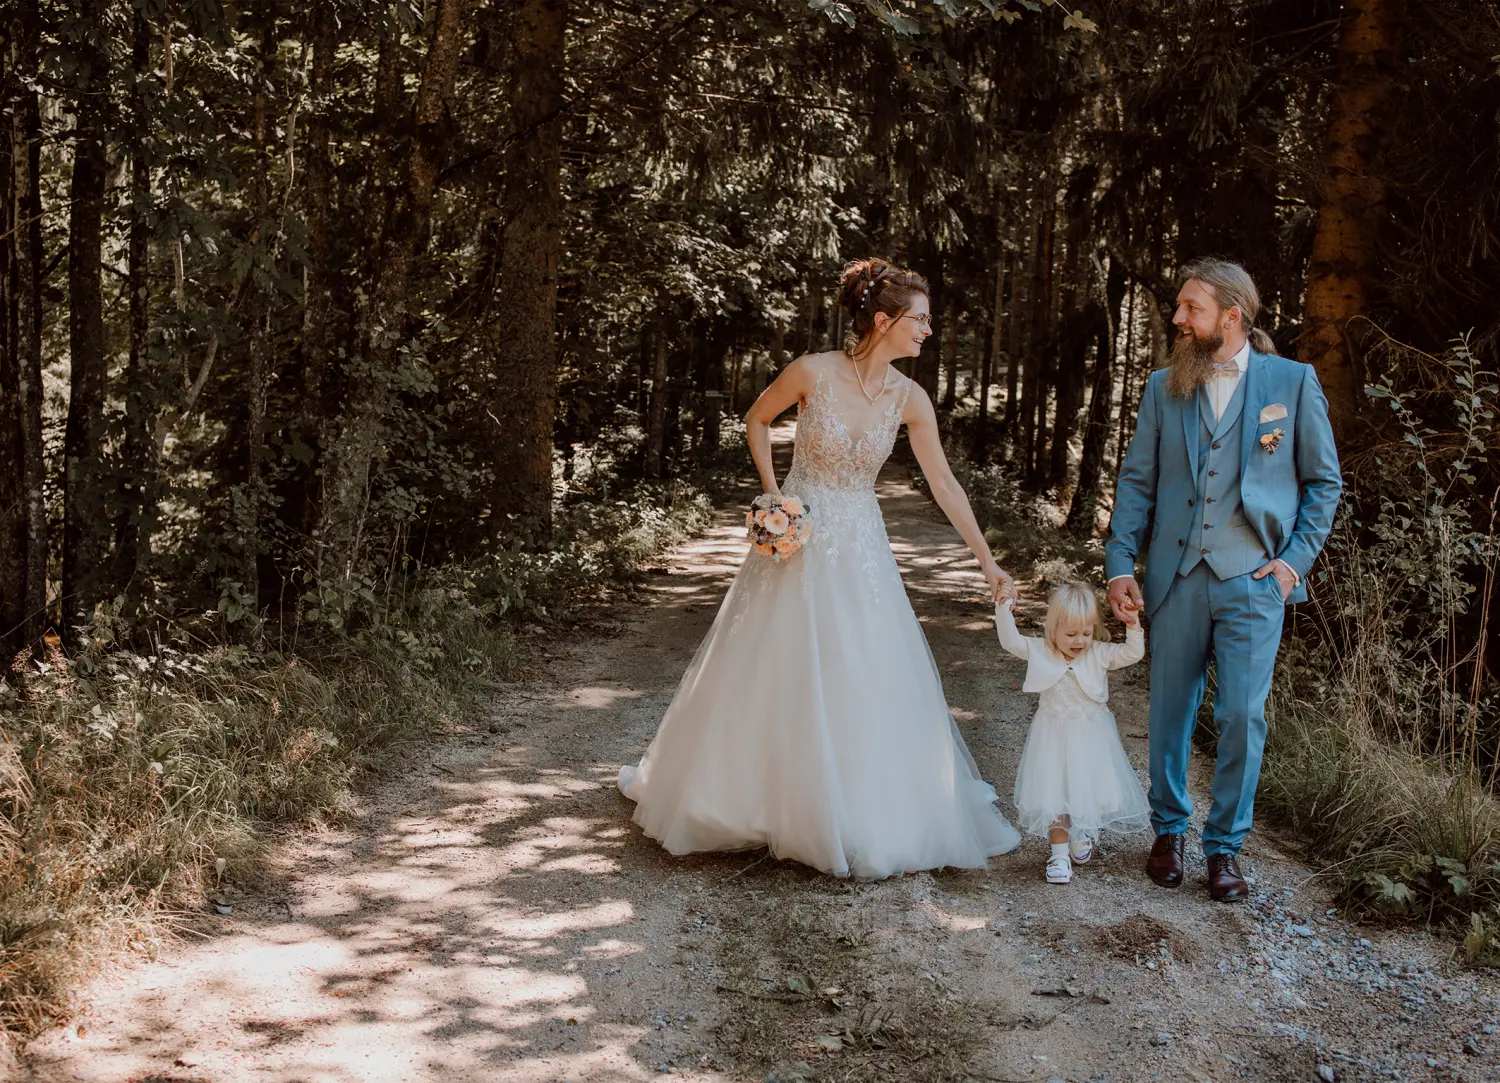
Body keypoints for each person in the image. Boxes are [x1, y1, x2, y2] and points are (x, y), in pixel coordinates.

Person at [619, 256, 1022, 878]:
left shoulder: (910, 399)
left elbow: (943, 483)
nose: (928, 331)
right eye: (920, 320)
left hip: (862, 545)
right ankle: (749, 797)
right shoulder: (811, 371)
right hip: (798, 543)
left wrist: (987, 561)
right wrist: (773, 493)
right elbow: (756, 419)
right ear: (884, 320)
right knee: (773, 660)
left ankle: (857, 806)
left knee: (863, 662)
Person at [1105, 258, 1342, 902]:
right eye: (1179, 308)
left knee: (1240, 715)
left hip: (1254, 580)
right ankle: (1168, 831)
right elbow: (1137, 483)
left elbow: (1323, 484)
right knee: (1169, 710)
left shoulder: (1291, 384)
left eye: (1191, 308)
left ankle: (1225, 847)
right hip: (1176, 578)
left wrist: (1292, 564)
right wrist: (1121, 563)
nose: (1177, 318)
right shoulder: (1164, 388)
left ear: (1230, 316)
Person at [996, 582, 1150, 884]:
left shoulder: (1100, 653)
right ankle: (1059, 854)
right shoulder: (1040, 650)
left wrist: (1133, 624)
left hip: (1091, 738)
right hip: (1053, 737)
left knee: (1084, 789)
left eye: (1086, 633)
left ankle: (1079, 834)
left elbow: (1133, 653)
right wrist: (1003, 609)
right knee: (1054, 793)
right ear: (1053, 629)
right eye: (1070, 634)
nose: (1079, 641)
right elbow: (1010, 641)